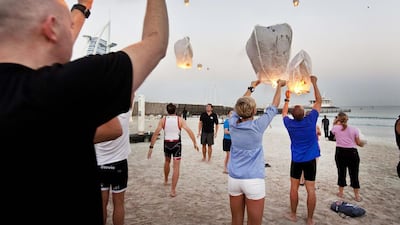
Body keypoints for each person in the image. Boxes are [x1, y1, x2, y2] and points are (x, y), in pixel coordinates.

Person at [0, 0, 169, 224]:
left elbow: (49, 44)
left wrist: (82, 7)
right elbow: (155, 42)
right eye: (67, 24)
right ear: (51, 28)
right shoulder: (65, 90)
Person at [228, 79, 286, 225]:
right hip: (253, 180)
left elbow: (239, 104)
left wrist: (252, 87)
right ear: (254, 111)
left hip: (234, 179)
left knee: (236, 220)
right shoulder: (257, 126)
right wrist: (279, 86)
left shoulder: (233, 123)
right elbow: (274, 106)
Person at [282, 75, 322, 225]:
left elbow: (284, 113)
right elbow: (318, 101)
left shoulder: (289, 124)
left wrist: (287, 98)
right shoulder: (311, 120)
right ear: (304, 114)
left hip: (296, 160)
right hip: (310, 160)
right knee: (310, 189)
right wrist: (314, 83)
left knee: (294, 188)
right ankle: (310, 219)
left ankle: (293, 215)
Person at [147, 103, 199, 197]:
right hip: (176, 144)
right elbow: (189, 131)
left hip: (167, 144)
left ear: (167, 110)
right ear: (175, 110)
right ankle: (173, 190)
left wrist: (151, 147)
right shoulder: (180, 120)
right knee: (176, 167)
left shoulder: (163, 120)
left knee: (167, 161)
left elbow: (155, 133)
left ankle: (166, 179)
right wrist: (194, 142)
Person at [94, 109, 132, 225]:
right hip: (119, 164)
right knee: (119, 204)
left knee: (101, 205)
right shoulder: (124, 112)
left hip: (100, 164)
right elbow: (131, 92)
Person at [331, 112, 366, 202]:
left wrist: (335, 121)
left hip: (340, 152)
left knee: (341, 172)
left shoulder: (335, 128)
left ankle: (341, 193)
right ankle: (357, 196)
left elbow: (332, 133)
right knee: (354, 174)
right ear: (347, 119)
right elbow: (358, 143)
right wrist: (363, 144)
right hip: (352, 153)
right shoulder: (355, 129)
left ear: (338, 119)